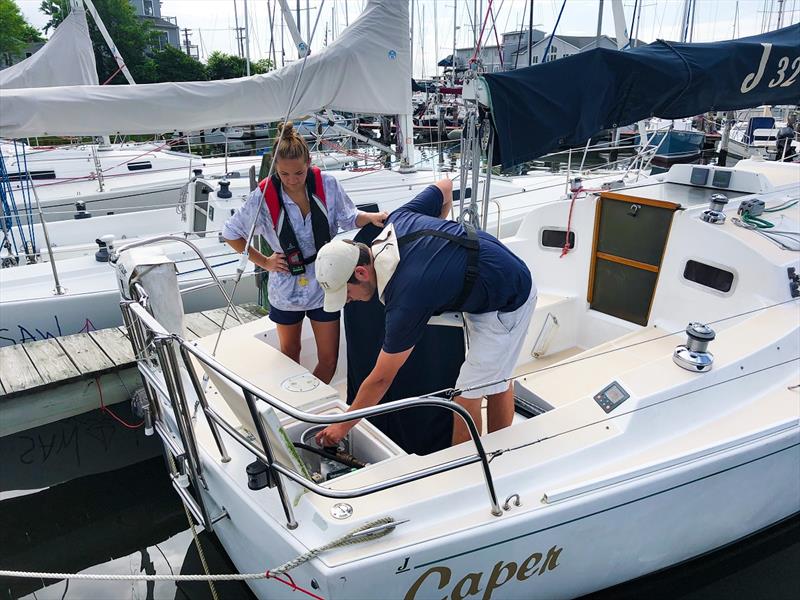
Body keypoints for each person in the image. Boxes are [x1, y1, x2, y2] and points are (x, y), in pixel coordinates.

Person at [314, 179, 536, 447]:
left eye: (346, 294)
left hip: (508, 296)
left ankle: (473, 468)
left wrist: (342, 426)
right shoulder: (397, 219)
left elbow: (381, 378)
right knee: (494, 377)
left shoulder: (407, 296)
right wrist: (440, 252)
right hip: (484, 279)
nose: (348, 302)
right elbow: (444, 187)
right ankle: (499, 449)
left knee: (465, 399)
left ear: (361, 272)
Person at [222, 122, 387, 383]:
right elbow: (231, 233)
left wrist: (372, 217)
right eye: (284, 174)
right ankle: (295, 407)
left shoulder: (328, 185)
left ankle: (313, 403)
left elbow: (349, 217)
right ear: (275, 168)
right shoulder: (263, 196)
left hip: (326, 283)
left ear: (309, 162)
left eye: (298, 173)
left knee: (329, 359)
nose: (292, 180)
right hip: (286, 287)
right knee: (290, 353)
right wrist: (264, 262)